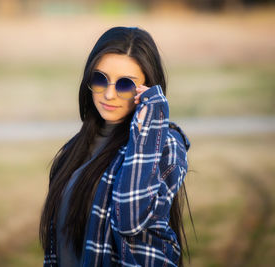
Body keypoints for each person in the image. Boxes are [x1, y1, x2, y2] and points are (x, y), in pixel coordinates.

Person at [39, 26, 193, 267]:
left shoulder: (165, 146)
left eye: (124, 85)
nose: (109, 94)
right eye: (100, 79)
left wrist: (149, 129)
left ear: (148, 89)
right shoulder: (75, 149)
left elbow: (130, 219)